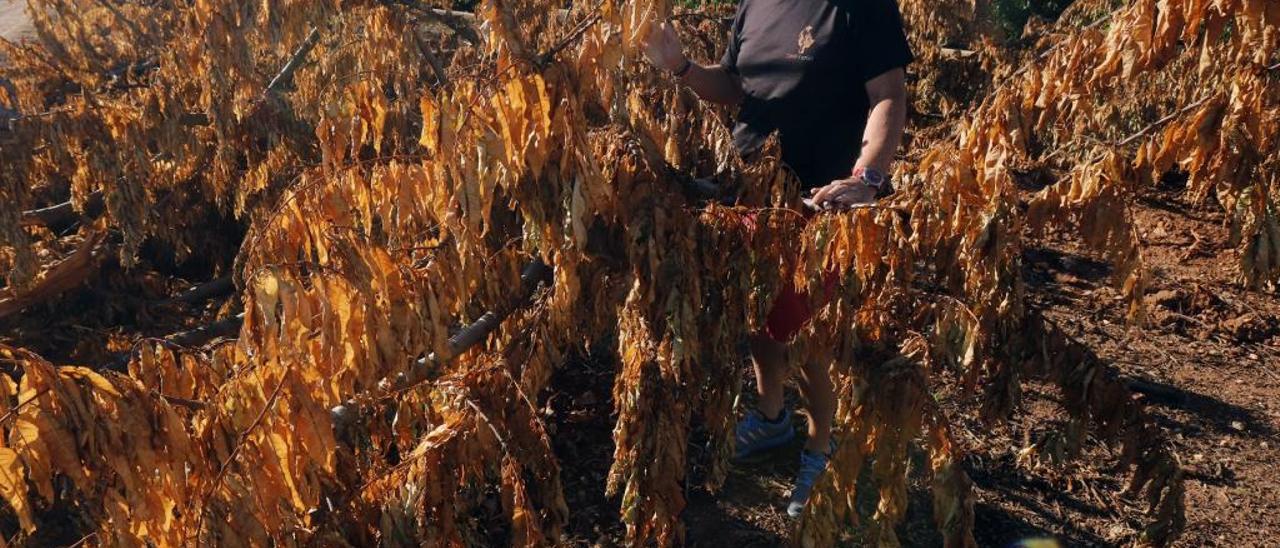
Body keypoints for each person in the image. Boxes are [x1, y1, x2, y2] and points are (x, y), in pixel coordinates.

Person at [641, 0, 913, 517]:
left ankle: (821, 445)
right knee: (758, 316)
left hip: (820, 201)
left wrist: (869, 177)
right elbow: (736, 87)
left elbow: (888, 95)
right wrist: (681, 66)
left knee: (804, 332)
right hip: (750, 193)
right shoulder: (757, 4)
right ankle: (771, 417)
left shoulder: (860, 7)